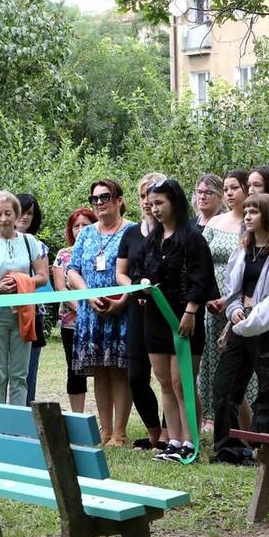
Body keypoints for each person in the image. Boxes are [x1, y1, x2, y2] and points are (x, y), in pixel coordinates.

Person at [212, 193, 269, 465]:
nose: (247, 216)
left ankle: (263, 449)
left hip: (266, 327)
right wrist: (234, 309)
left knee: (268, 389)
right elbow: (234, 289)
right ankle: (228, 447)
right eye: (246, 211)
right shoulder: (243, 249)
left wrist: (249, 321)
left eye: (254, 212)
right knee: (224, 386)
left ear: (268, 216)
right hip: (240, 322)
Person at [139, 179, 218, 463]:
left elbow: (202, 278)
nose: (155, 208)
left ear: (174, 203)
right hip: (155, 319)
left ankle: (190, 441)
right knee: (164, 382)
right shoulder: (152, 239)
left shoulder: (192, 238)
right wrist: (142, 286)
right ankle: (173, 440)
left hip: (184, 320)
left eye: (160, 203)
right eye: (151, 203)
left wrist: (191, 311)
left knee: (182, 382)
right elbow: (140, 272)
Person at [66, 179, 134, 447]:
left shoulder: (132, 231)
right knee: (100, 370)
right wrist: (87, 295)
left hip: (122, 310)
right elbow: (72, 269)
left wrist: (124, 299)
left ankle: (120, 432)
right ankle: (105, 431)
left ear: (118, 200)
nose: (99, 203)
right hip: (90, 311)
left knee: (119, 370)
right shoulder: (86, 233)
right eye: (95, 199)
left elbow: (138, 273)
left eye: (105, 197)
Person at [0, 192, 48, 405]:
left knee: (19, 374)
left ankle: (17, 428)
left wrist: (22, 282)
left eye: (8, 213)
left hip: (23, 312)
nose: (4, 218)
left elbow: (43, 277)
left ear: (16, 215)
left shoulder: (29, 241)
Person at [201, 170, 257, 433]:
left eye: (234, 187)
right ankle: (213, 416)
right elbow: (200, 262)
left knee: (242, 360)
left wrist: (229, 299)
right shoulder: (214, 222)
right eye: (225, 189)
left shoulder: (252, 223)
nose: (229, 193)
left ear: (246, 190)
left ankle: (245, 419)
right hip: (211, 302)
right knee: (212, 357)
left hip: (240, 301)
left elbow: (253, 268)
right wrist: (207, 297)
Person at [116, 172, 166, 451]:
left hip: (166, 310)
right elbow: (120, 272)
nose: (148, 201)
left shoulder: (174, 231)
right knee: (136, 376)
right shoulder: (131, 233)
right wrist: (136, 288)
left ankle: (171, 432)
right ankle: (153, 433)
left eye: (154, 195)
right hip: (138, 309)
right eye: (143, 195)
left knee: (169, 379)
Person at [52, 208, 96, 413]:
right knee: (75, 370)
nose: (80, 230)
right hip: (71, 323)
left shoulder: (101, 251)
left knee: (105, 370)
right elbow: (61, 288)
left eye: (85, 225)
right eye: (75, 226)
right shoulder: (63, 255)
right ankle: (78, 416)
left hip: (101, 318)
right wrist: (82, 308)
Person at [15, 193, 48, 404]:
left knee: (29, 371)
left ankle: (26, 418)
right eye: (22, 211)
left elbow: (43, 279)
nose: (25, 217)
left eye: (30, 213)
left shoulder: (39, 245)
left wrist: (19, 282)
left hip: (32, 313)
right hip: (0, 311)